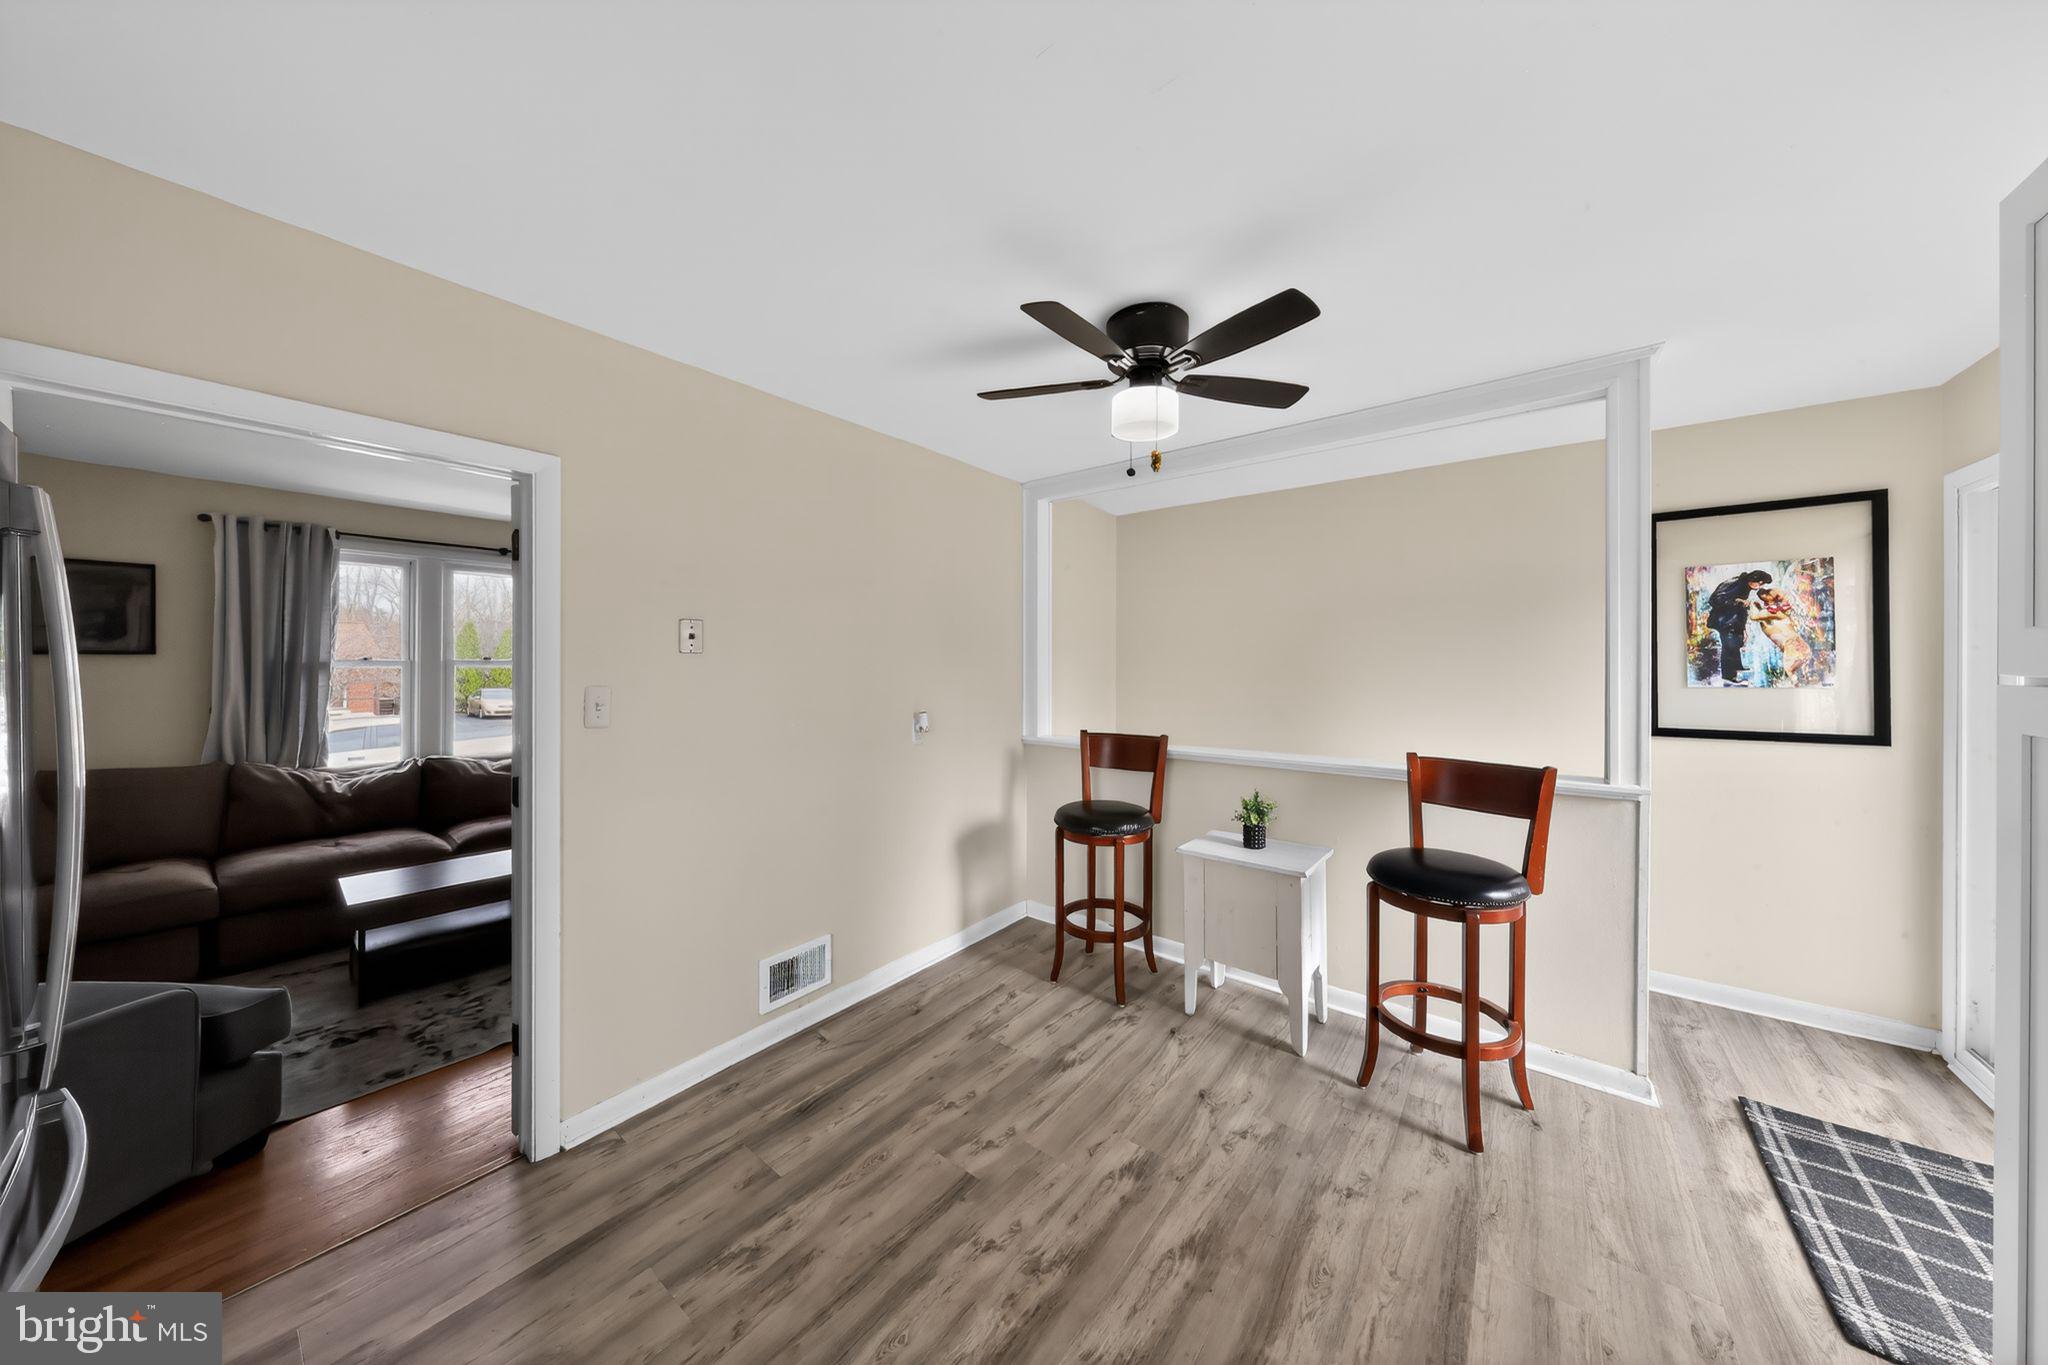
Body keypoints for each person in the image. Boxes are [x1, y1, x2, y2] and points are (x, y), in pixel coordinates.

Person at [1705, 569, 1774, 684]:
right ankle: (1729, 675)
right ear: (1753, 579)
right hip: (1725, 621)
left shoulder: (1746, 586)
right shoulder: (1735, 583)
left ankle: (1737, 667)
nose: (1758, 586)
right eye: (1759, 583)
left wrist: (1743, 627)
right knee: (1729, 646)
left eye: (1761, 584)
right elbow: (1715, 599)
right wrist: (1737, 601)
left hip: (1735, 621)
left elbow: (1740, 607)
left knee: (1737, 643)